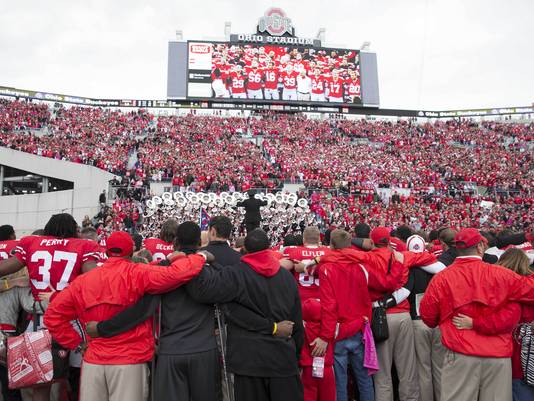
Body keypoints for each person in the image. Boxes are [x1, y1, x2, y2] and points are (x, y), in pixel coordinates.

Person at [43, 231, 208, 401]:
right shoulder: (138, 273)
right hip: (129, 360)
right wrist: (200, 256)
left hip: (94, 361)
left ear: (106, 252)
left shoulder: (83, 281)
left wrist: (77, 343)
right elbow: (178, 274)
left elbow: (52, 316)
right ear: (131, 251)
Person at [187, 229, 304, 401]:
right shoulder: (286, 276)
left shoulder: (236, 274)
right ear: (269, 247)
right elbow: (297, 323)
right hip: (282, 358)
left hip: (249, 361)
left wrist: (198, 259)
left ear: (244, 249)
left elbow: (202, 292)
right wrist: (296, 356)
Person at [420, 228, 534, 401]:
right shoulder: (502, 275)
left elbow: (428, 317)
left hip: (460, 353)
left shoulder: (442, 278)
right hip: (497, 355)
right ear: (480, 246)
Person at [0, 213, 104, 401]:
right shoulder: (85, 246)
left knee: (41, 380)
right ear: (73, 229)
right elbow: (94, 278)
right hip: (71, 320)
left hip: (38, 321)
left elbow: (6, 267)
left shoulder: (31, 242)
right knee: (77, 376)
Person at [451, 248, 534, 401]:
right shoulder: (523, 286)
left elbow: (503, 320)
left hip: (513, 357)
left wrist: (474, 323)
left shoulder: (508, 289)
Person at [311, 229, 373, 401]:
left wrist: (325, 335)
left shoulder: (327, 269)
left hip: (339, 330)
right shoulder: (361, 266)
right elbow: (366, 298)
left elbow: (329, 306)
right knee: (364, 378)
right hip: (358, 327)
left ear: (331, 245)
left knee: (340, 381)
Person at [404, 235, 446, 401]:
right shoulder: (440, 268)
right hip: (437, 322)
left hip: (418, 321)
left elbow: (405, 293)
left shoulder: (409, 268)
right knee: (440, 367)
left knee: (423, 368)